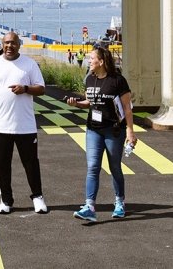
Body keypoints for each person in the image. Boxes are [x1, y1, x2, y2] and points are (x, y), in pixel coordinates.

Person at [0, 30, 47, 215]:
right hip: (1, 126)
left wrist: (25, 88)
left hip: (26, 126)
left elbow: (41, 89)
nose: (10, 46)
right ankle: (6, 200)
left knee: (31, 163)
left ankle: (37, 197)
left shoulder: (29, 64)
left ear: (19, 45)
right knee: (2, 164)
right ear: (2, 44)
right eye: (6, 43)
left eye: (13, 43)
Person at [65, 45, 135, 222]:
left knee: (115, 168)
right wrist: (76, 104)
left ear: (101, 61)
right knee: (93, 167)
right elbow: (90, 102)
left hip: (113, 131)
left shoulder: (117, 81)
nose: (89, 61)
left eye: (91, 58)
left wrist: (130, 131)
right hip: (93, 130)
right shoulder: (90, 79)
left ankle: (119, 202)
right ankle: (89, 206)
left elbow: (127, 107)